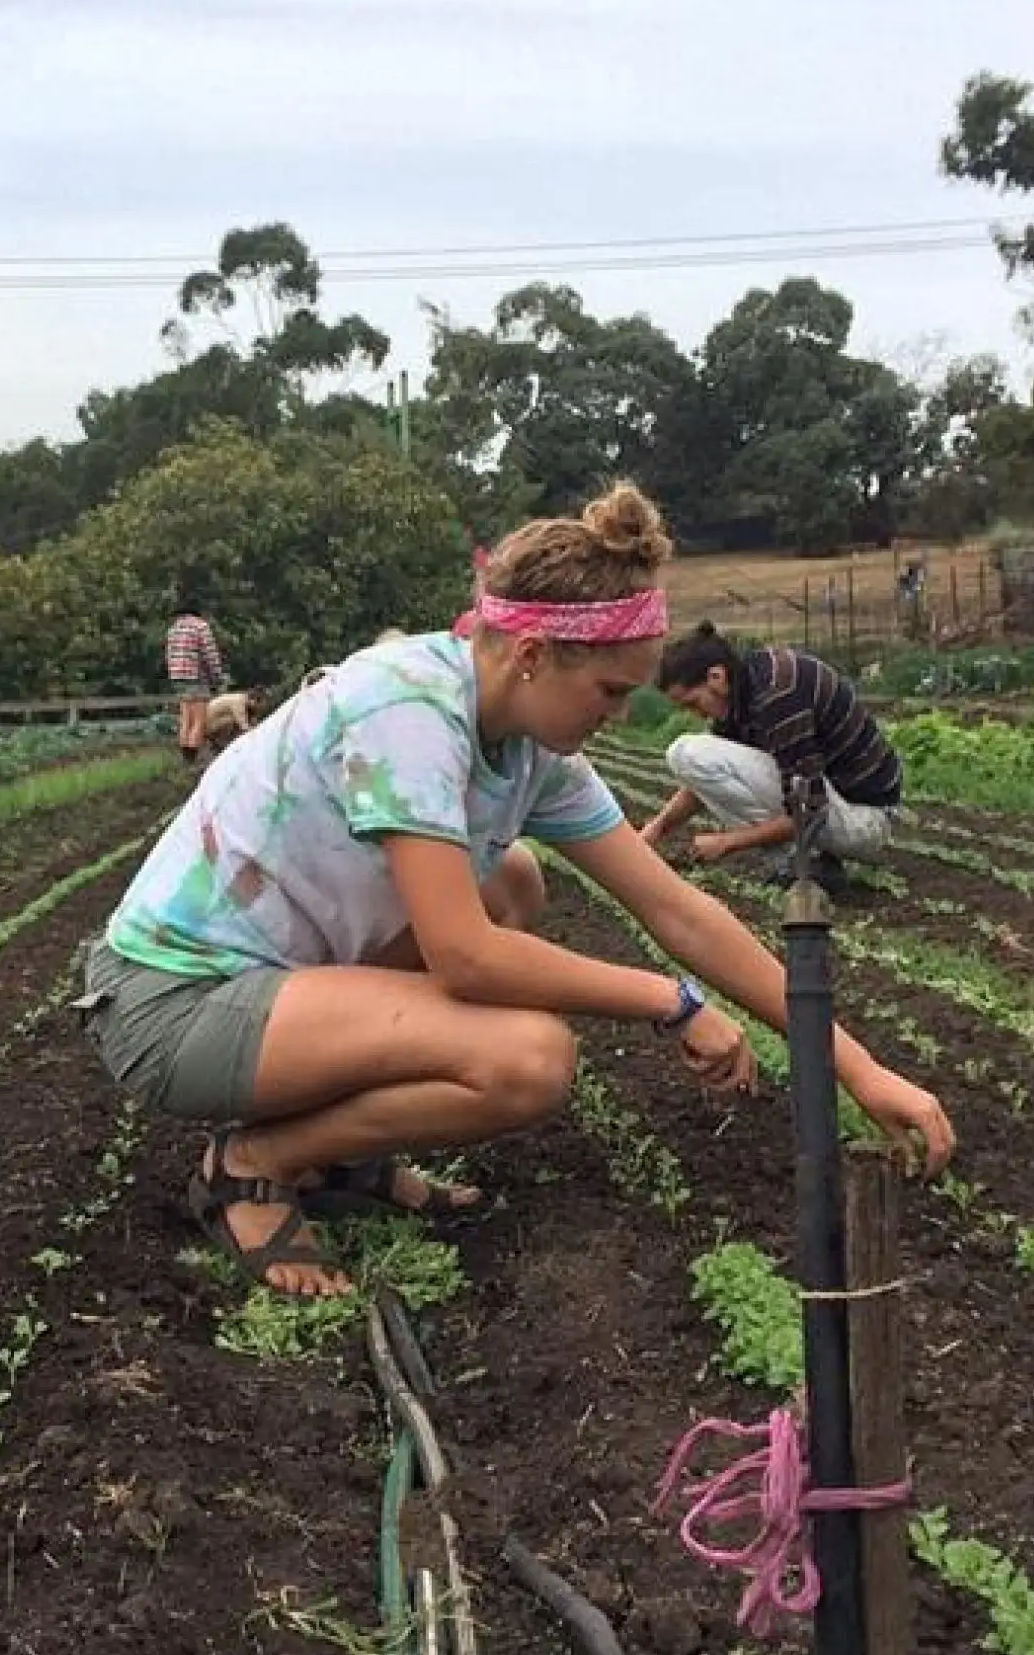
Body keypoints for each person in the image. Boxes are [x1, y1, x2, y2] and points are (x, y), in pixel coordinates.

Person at [76, 486, 954, 1299]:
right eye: (608, 690)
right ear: (532, 654)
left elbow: (678, 908)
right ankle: (257, 1159)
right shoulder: (408, 711)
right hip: (176, 1002)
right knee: (527, 1060)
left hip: (284, 985)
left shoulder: (530, 751)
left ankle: (333, 1156)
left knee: (513, 876)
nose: (616, 715)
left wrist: (861, 1072)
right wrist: (670, 1002)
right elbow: (463, 958)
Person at [642, 623, 902, 888]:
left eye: (693, 703)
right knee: (692, 758)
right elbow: (703, 781)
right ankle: (807, 864)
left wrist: (727, 842)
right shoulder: (745, 690)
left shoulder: (779, 698)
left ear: (716, 677)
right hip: (844, 810)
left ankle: (801, 864)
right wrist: (659, 827)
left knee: (685, 752)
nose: (695, 713)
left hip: (865, 822)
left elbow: (809, 810)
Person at [164, 589, 230, 767]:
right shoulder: (200, 627)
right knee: (199, 720)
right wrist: (217, 676)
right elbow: (210, 654)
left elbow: (169, 654)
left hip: (178, 677)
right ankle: (192, 760)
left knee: (186, 718)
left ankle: (185, 756)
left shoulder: (174, 629)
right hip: (196, 676)